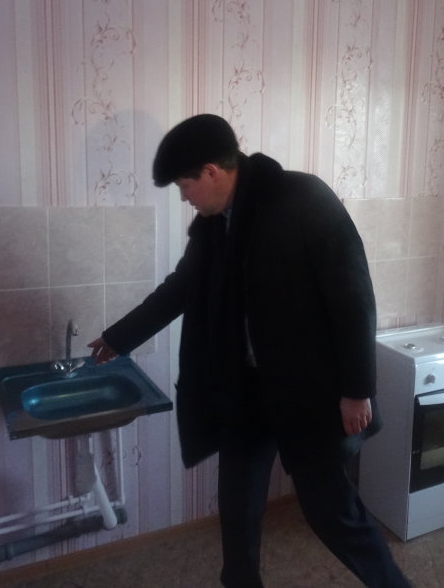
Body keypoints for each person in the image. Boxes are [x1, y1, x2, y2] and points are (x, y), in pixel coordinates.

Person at [88, 114, 410, 588]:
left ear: (212, 172)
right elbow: (181, 287)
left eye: (185, 186)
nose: (184, 198)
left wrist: (357, 389)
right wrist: (120, 338)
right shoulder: (213, 226)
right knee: (237, 508)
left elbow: (355, 298)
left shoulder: (303, 199)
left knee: (332, 513)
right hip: (245, 391)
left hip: (308, 393)